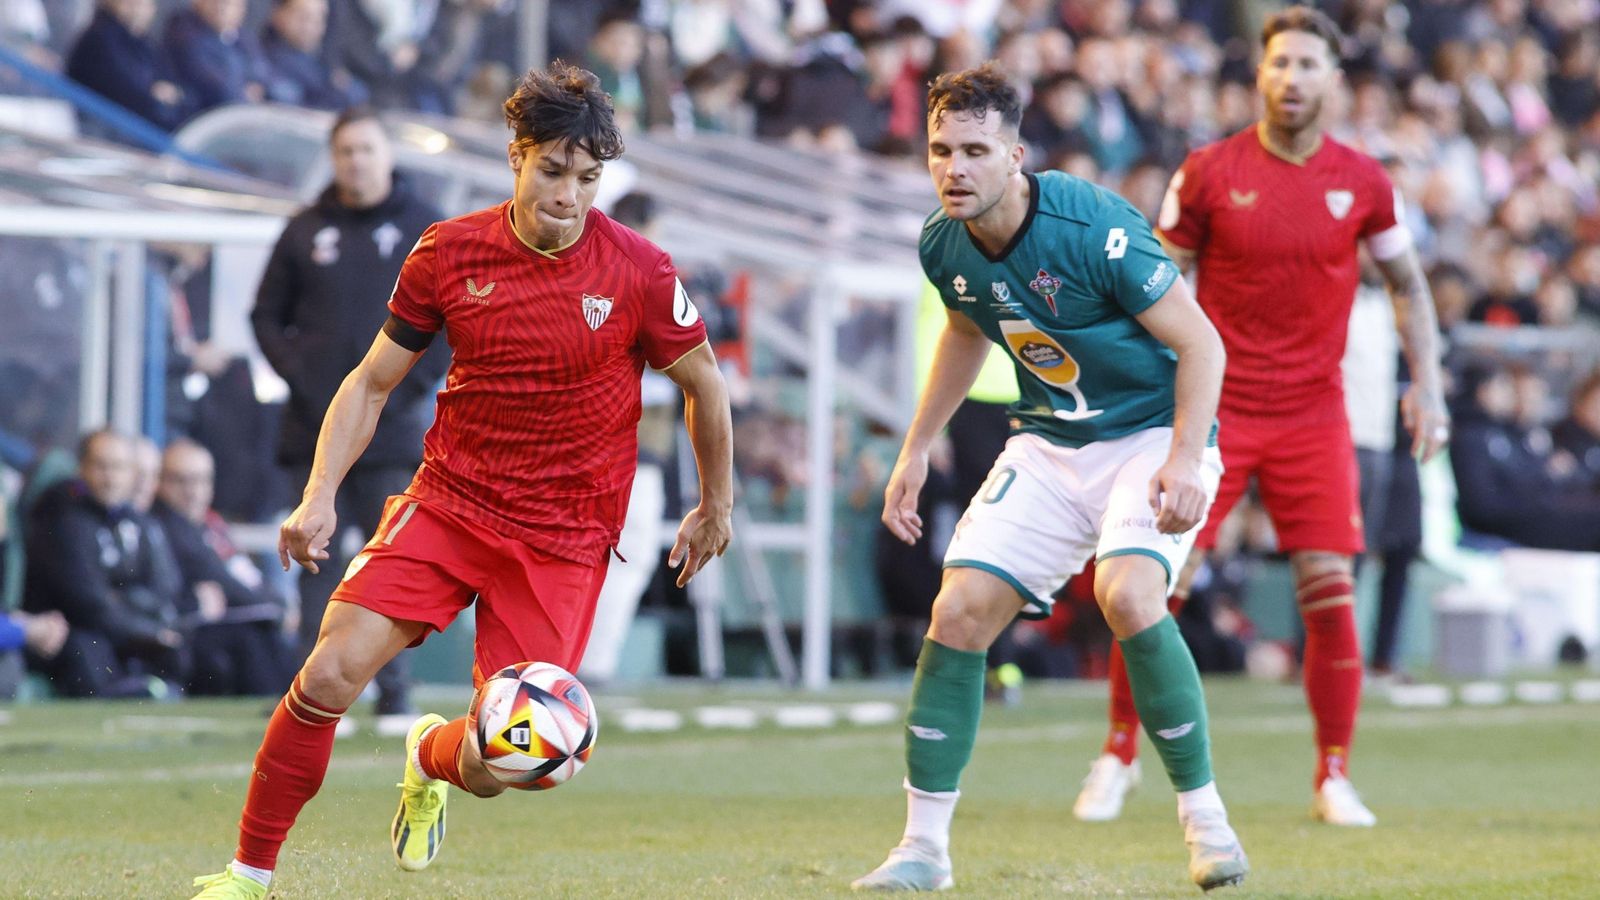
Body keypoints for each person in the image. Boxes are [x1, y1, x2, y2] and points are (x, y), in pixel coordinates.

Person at [190, 62, 733, 899]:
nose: (569, 194)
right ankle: (247, 874)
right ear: (516, 156)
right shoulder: (449, 253)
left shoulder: (640, 270)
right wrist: (320, 491)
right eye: (552, 171)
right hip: (452, 501)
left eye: (588, 179)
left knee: (506, 762)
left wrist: (714, 501)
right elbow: (372, 381)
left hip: (563, 537)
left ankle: (429, 755)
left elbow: (703, 383)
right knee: (331, 671)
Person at [853, 63, 1247, 893]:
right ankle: (922, 850)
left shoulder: (1093, 226)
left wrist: (1183, 457)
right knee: (956, 613)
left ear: (1016, 155)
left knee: (1130, 596)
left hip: (1149, 434)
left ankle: (1206, 825)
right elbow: (967, 326)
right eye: (939, 150)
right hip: (1050, 442)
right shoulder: (942, 242)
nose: (953, 168)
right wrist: (916, 447)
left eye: (973, 150)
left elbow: (1202, 343)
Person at [1074, 6, 1450, 829]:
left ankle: (1333, 775)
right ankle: (1118, 754)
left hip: (1316, 412)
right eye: (1280, 63)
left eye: (1309, 64)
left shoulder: (1367, 182)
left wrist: (1427, 382)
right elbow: (1155, 285)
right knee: (1153, 582)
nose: (1292, 78)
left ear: (1334, 81)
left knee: (1331, 587)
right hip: (1212, 412)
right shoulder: (1208, 171)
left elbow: (1409, 286)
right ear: (1260, 75)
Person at [251, 106, 446, 733]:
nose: (355, 162)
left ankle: (395, 691)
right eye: (345, 152)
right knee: (313, 558)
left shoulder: (426, 229)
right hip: (314, 427)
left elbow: (452, 319)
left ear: (387, 156)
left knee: (390, 561)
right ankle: (309, 692)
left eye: (365, 150)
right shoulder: (305, 228)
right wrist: (303, 376)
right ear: (332, 159)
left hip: (392, 433)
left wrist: (405, 386)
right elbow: (264, 315)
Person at [22, 430, 188, 698]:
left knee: (181, 644)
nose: (110, 477)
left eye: (119, 467)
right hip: (75, 634)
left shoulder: (140, 523)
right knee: (87, 647)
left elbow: (166, 585)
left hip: (130, 627)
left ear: (133, 474)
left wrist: (133, 609)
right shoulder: (65, 522)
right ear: (82, 468)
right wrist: (145, 629)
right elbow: (88, 603)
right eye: (101, 466)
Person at [151, 438, 291, 696]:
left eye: (201, 480)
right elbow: (219, 578)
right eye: (181, 480)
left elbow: (245, 577)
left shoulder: (212, 526)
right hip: (184, 632)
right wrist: (274, 606)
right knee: (254, 638)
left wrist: (276, 604)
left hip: (224, 623)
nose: (192, 491)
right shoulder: (160, 525)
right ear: (160, 481)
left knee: (270, 632)